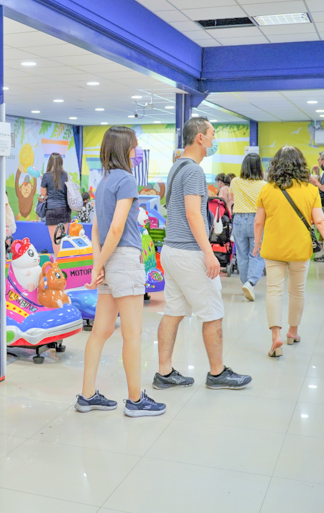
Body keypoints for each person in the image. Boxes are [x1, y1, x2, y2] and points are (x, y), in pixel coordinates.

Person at [154, 117, 252, 390]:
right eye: (211, 134)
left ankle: (164, 372)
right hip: (189, 253)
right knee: (213, 313)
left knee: (172, 312)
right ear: (200, 138)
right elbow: (193, 214)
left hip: (171, 250)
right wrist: (209, 253)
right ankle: (218, 373)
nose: (213, 138)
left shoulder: (176, 167)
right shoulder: (194, 171)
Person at [78, 126, 165, 416]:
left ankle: (87, 395)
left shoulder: (103, 183)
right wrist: (99, 265)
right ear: (124, 148)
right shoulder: (126, 180)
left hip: (109, 260)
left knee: (100, 331)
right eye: (135, 145)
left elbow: (96, 232)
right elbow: (116, 229)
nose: (137, 151)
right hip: (126, 260)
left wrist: (98, 264)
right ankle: (135, 400)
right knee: (132, 334)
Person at [253, 146, 324, 358]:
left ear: (275, 165)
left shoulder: (266, 190)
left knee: (273, 291)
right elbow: (321, 221)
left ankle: (275, 335)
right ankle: (292, 332)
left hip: (273, 248)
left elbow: (259, 221)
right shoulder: (310, 190)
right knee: (297, 291)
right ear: (301, 165)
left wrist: (257, 244)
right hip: (300, 249)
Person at [230, 154, 267, 302]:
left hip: (238, 219)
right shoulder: (264, 185)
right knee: (257, 253)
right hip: (257, 220)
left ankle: (246, 283)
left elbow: (233, 199)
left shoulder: (235, 181)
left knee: (242, 254)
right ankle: (250, 283)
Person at [39, 152, 71, 259]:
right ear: (61, 162)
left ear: (49, 162)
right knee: (62, 238)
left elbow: (43, 195)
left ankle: (58, 263)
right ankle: (63, 262)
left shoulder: (46, 177)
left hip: (51, 210)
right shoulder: (65, 175)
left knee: (55, 240)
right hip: (64, 210)